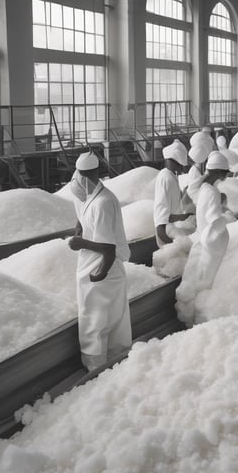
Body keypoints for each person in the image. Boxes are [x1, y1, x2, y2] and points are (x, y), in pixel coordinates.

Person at [68, 152, 132, 371]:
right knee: (105, 320)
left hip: (104, 270)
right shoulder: (91, 196)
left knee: (96, 322)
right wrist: (79, 226)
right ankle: (111, 365)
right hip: (96, 269)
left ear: (86, 177)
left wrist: (81, 244)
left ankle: (98, 369)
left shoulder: (103, 203)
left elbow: (108, 248)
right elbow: (83, 213)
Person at [176, 151, 231, 326]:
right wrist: (224, 220)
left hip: (200, 238)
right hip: (209, 241)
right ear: (219, 173)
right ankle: (204, 318)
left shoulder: (201, 188)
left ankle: (191, 315)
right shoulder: (212, 192)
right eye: (224, 173)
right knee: (206, 279)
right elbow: (214, 220)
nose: (224, 177)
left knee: (196, 277)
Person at [153, 140, 192, 247]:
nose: (182, 168)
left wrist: (183, 216)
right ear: (171, 161)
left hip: (173, 230)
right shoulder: (165, 178)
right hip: (167, 235)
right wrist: (172, 244)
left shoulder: (171, 176)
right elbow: (161, 218)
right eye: (180, 164)